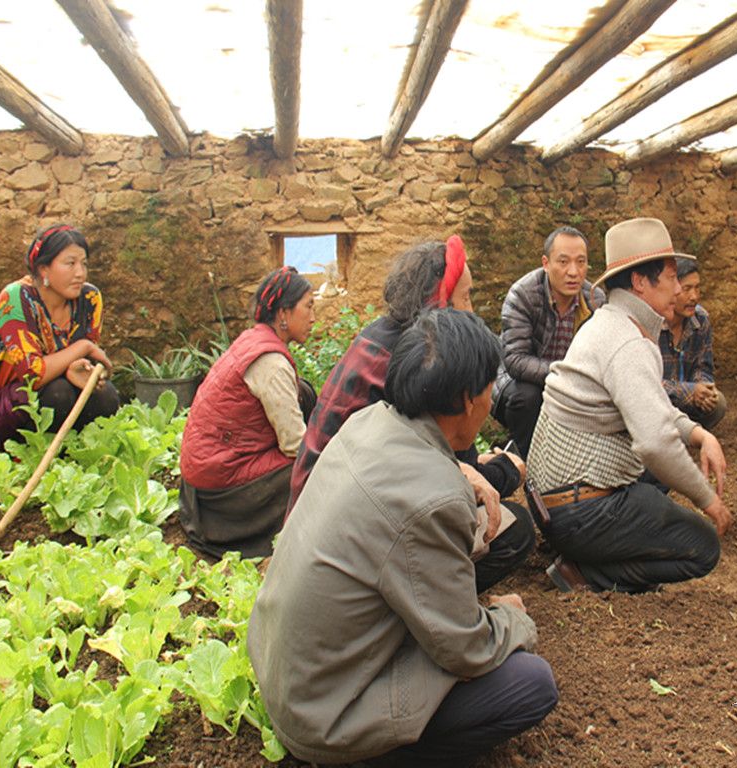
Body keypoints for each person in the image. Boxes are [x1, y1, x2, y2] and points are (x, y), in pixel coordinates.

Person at [248, 309, 558, 767]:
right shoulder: (434, 499)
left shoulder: (367, 422)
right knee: (530, 684)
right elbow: (468, 650)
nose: (491, 398)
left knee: (500, 541)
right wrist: (510, 620)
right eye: (490, 387)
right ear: (468, 399)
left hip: (287, 677)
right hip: (325, 720)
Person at [288, 236, 534, 593]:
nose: (472, 311)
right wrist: (506, 472)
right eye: (466, 297)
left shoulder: (383, 337)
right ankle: (425, 600)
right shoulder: (423, 362)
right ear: (440, 302)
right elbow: (435, 480)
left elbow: (430, 454)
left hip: (312, 521)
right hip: (346, 532)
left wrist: (473, 467)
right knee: (517, 528)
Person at [527, 218, 732, 593]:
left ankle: (598, 550)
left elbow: (652, 406)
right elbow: (656, 443)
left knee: (661, 473)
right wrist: (708, 502)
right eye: (671, 277)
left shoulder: (609, 322)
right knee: (703, 548)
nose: (678, 288)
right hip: (577, 510)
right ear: (640, 282)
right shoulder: (628, 343)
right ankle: (585, 573)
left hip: (554, 502)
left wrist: (699, 434)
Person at [179, 266, 317, 559]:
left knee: (303, 392)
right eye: (308, 306)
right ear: (283, 314)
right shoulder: (270, 363)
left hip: (202, 472)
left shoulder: (253, 339)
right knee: (311, 467)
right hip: (219, 490)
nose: (313, 317)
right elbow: (295, 445)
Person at [0, 224, 119, 449]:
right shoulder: (16, 298)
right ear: (43, 269)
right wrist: (83, 347)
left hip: (56, 387)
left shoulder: (90, 298)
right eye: (70, 263)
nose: (80, 273)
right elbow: (32, 375)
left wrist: (80, 368)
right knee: (59, 394)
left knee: (106, 396)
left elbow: (89, 365)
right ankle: (22, 450)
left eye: (84, 263)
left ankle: (70, 452)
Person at [491, 226, 605, 458]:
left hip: (570, 383)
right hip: (518, 383)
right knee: (528, 397)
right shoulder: (523, 294)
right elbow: (515, 360)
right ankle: (520, 460)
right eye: (563, 262)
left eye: (581, 262)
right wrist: (563, 374)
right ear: (546, 263)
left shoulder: (595, 300)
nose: (573, 272)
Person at [659, 257, 726, 429]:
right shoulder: (653, 323)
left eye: (697, 288)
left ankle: (688, 432)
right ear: (671, 289)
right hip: (656, 403)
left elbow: (703, 367)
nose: (694, 296)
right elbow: (648, 384)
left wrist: (703, 389)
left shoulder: (700, 319)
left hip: (686, 403)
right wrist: (689, 391)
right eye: (687, 289)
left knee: (718, 403)